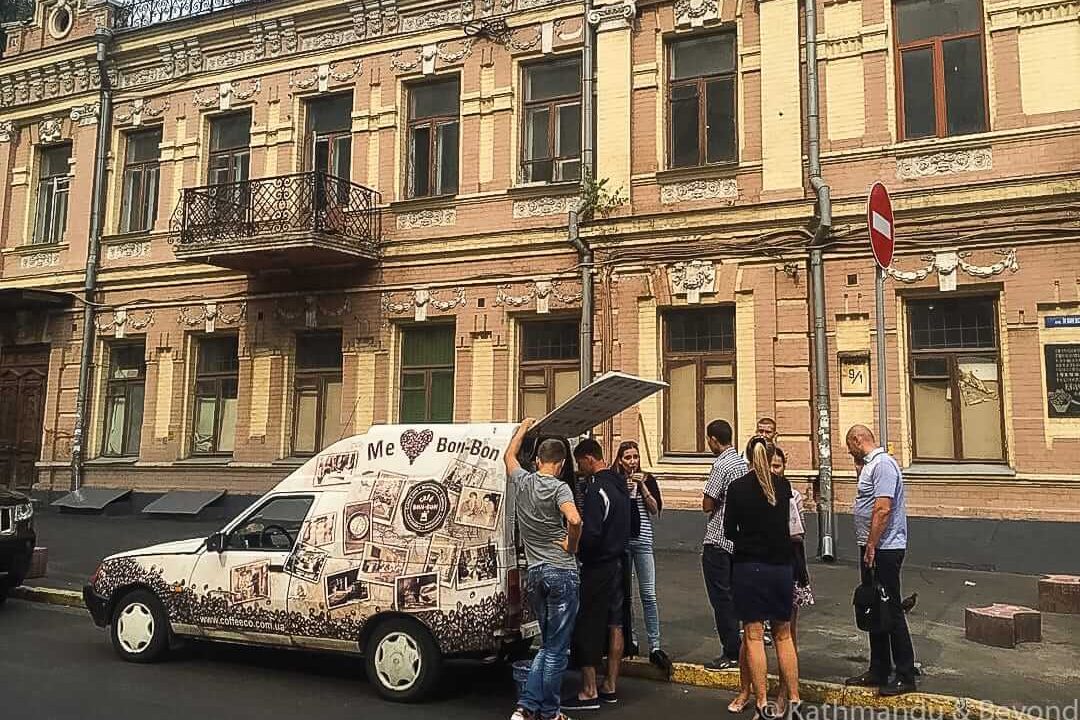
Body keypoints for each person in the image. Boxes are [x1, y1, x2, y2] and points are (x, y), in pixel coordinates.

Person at [506, 419, 583, 720]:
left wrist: (523, 429)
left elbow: (509, 457)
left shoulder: (523, 481)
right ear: (561, 464)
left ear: (538, 460)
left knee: (547, 644)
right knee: (557, 649)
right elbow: (575, 520)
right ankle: (549, 711)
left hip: (535, 573)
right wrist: (572, 545)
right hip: (561, 573)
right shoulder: (559, 488)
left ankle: (526, 708)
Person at [723, 438, 801, 720]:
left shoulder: (737, 488)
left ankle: (762, 702)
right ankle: (794, 696)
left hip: (749, 566)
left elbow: (729, 530)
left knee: (753, 636)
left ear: (747, 457)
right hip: (781, 566)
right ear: (770, 459)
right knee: (784, 634)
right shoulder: (784, 486)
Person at [844, 425, 917, 697]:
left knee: (890, 609)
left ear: (857, 439)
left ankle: (905, 673)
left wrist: (872, 544)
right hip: (872, 548)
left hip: (884, 549)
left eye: (850, 446)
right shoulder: (870, 466)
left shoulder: (884, 464)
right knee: (874, 607)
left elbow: (883, 508)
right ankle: (879, 668)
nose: (849, 451)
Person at [565, 439, 632, 711]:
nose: (579, 470)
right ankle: (611, 684)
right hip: (619, 562)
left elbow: (591, 532)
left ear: (589, 458)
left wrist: (575, 548)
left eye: (580, 464)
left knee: (588, 623)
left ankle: (589, 689)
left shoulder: (596, 490)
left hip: (598, 565)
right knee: (616, 623)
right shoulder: (621, 485)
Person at [613, 440, 672, 673]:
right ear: (620, 460)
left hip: (643, 541)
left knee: (648, 593)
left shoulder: (647, 479)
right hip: (623, 542)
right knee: (626, 595)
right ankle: (632, 640)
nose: (632, 462)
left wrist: (643, 488)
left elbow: (655, 509)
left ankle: (655, 644)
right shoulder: (617, 481)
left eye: (635, 457)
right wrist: (624, 493)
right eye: (627, 457)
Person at [702, 419, 746, 671]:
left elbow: (708, 503)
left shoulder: (721, 465)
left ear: (714, 440)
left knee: (721, 599)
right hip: (737, 538)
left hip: (718, 538)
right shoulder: (741, 463)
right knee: (734, 596)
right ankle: (740, 648)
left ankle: (731, 651)